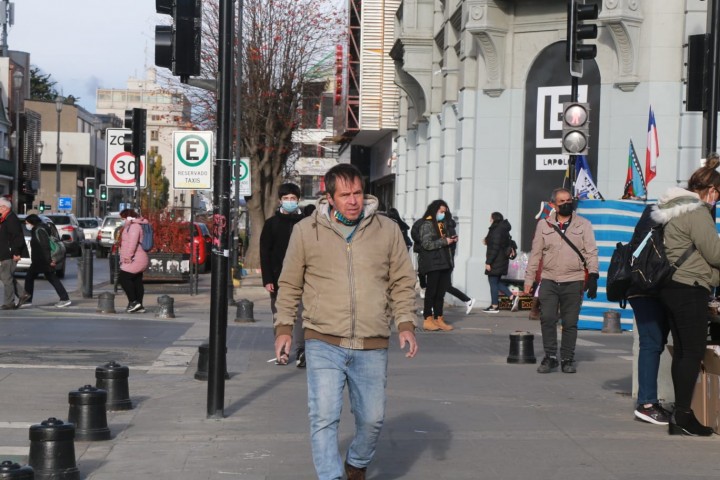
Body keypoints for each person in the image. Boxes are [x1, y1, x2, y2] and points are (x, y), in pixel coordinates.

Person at [274, 163, 417, 480]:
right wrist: (284, 328)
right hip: (323, 339)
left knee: (373, 418)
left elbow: (402, 281)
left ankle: (357, 461)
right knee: (324, 416)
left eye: (358, 193)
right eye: (345, 195)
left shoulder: (386, 230)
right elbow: (290, 284)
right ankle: (331, 476)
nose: (353, 201)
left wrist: (405, 323)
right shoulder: (306, 231)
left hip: (372, 341)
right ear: (329, 197)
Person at [652, 155, 720, 436]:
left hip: (671, 286)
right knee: (691, 352)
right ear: (711, 190)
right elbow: (714, 252)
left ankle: (681, 415)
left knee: (681, 352)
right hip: (689, 286)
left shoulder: (674, 208)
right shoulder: (696, 211)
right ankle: (682, 416)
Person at [523, 188, 598, 374]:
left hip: (574, 280)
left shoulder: (584, 224)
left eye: (568, 200)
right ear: (553, 205)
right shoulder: (544, 225)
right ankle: (550, 357)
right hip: (549, 279)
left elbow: (591, 252)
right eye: (561, 201)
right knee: (547, 318)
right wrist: (529, 279)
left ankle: (567, 358)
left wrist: (594, 275)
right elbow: (536, 254)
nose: (566, 203)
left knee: (570, 322)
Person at [626, 205, 672, 426]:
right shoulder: (661, 224)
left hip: (641, 289)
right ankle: (646, 404)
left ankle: (648, 402)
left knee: (653, 343)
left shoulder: (649, 220)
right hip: (648, 290)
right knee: (651, 343)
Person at [260, 183, 306, 367]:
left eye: (292, 198)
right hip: (278, 278)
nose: (289, 201)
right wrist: (267, 279)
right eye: (286, 198)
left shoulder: (304, 223)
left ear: (298, 200)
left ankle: (301, 350)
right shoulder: (271, 224)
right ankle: (282, 350)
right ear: (280, 201)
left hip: (302, 278)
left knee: (302, 315)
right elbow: (265, 253)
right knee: (279, 314)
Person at [416, 199, 458, 331]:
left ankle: (439, 318)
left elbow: (444, 241)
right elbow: (427, 244)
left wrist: (452, 240)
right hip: (433, 263)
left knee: (440, 293)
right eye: (441, 212)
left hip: (445, 262)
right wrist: (444, 241)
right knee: (431, 292)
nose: (443, 214)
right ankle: (428, 318)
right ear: (434, 211)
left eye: (444, 212)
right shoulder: (427, 224)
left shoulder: (443, 223)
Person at [15, 214, 71, 308]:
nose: (26, 225)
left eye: (27, 223)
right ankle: (28, 300)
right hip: (39, 260)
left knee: (50, 278)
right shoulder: (39, 229)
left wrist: (49, 260)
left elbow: (45, 246)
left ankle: (65, 299)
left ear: (32, 222)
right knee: (32, 278)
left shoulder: (39, 230)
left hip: (43, 260)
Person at [483, 212, 518, 313]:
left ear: (494, 218)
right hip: (502, 259)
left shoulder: (496, 230)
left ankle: (494, 306)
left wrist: (488, 262)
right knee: (496, 282)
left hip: (496, 260)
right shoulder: (503, 229)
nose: (490, 219)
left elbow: (495, 247)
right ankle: (512, 297)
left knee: (493, 282)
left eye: (491, 217)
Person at [118, 209, 150, 313]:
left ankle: (134, 302)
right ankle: (139, 305)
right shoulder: (132, 226)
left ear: (128, 217)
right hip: (138, 257)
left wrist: (128, 256)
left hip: (136, 258)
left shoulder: (134, 227)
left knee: (123, 278)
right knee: (136, 280)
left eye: (122, 218)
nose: (122, 220)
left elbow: (132, 243)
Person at [445, 211, 475, 314]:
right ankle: (431, 308)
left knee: (444, 286)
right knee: (442, 286)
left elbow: (448, 247)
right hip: (446, 262)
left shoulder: (449, 230)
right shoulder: (449, 229)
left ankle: (468, 300)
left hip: (446, 262)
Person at [0, 197, 25, 309]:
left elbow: (17, 237)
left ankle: (9, 302)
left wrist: (16, 252)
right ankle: (22, 294)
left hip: (9, 253)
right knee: (6, 276)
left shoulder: (11, 219)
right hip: (5, 252)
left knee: (6, 277)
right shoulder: (5, 218)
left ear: (4, 207)